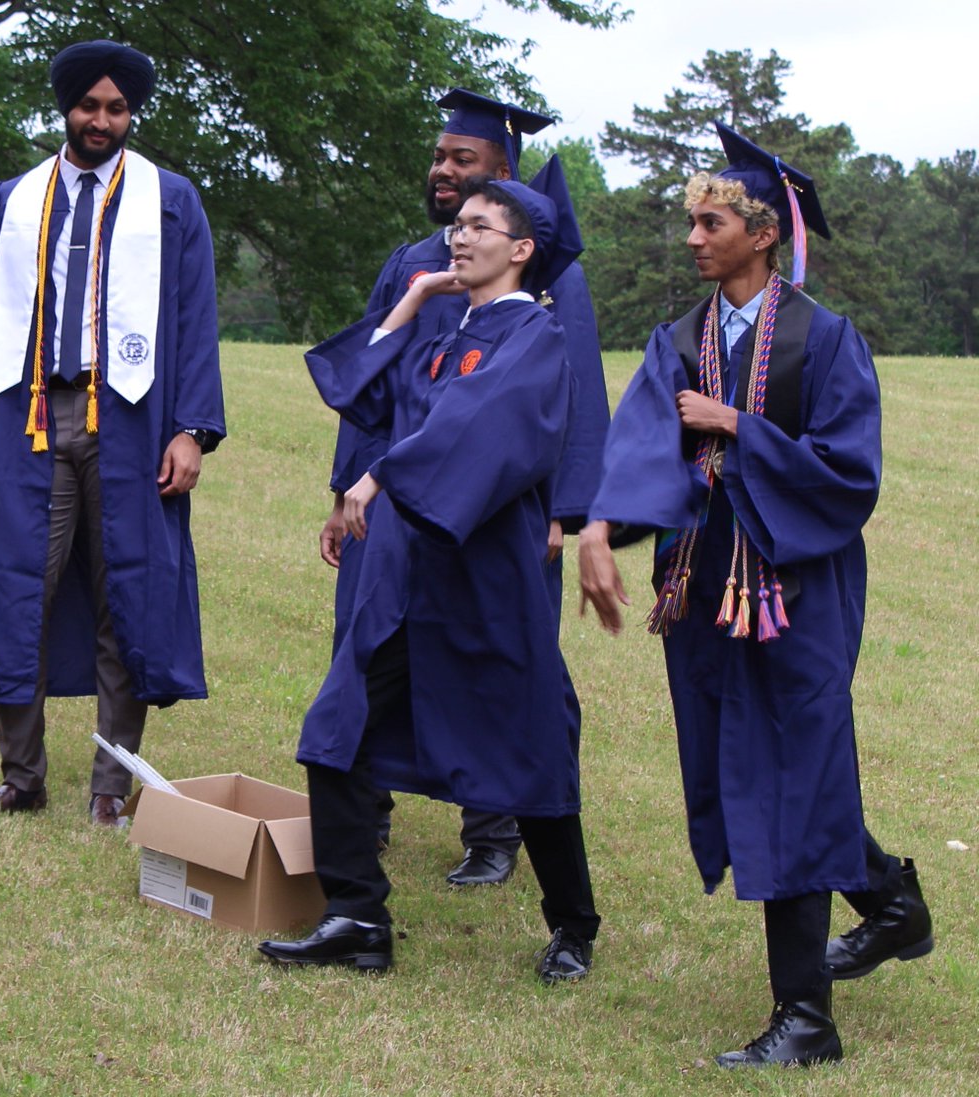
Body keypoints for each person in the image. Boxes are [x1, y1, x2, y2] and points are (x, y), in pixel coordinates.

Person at [578, 123, 932, 1067]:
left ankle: (806, 1021)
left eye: (710, 221)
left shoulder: (825, 340)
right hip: (702, 591)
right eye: (690, 221)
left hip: (796, 595)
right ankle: (890, 902)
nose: (692, 237)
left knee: (789, 774)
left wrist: (739, 426)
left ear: (761, 233)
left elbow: (850, 475)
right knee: (765, 772)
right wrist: (602, 528)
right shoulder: (680, 339)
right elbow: (647, 449)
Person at [259, 161, 601, 982]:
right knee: (336, 731)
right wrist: (409, 304)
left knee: (530, 752)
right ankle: (355, 916)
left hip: (486, 582)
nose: (461, 233)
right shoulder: (444, 335)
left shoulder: (537, 340)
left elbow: (475, 431)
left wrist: (378, 479)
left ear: (522, 248)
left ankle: (574, 926)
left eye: (482, 225)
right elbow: (362, 396)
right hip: (407, 578)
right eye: (461, 224)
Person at [319, 88, 610, 886]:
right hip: (390, 507)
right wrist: (348, 487)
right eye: (440, 158)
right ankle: (363, 808)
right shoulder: (418, 264)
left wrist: (568, 509)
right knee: (370, 649)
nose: (443, 173)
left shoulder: (548, 280)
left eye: (463, 162)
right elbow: (369, 394)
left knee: (494, 658)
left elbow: (574, 392)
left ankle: (493, 828)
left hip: (493, 508)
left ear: (504, 177)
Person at [0, 40, 225, 825]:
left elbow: (197, 322)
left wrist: (193, 429)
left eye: (117, 108)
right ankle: (21, 777)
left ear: (131, 114)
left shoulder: (170, 201)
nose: (102, 120)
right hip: (27, 413)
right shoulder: (15, 200)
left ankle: (110, 787)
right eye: (89, 106)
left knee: (123, 594)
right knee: (15, 589)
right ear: (65, 108)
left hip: (131, 419)